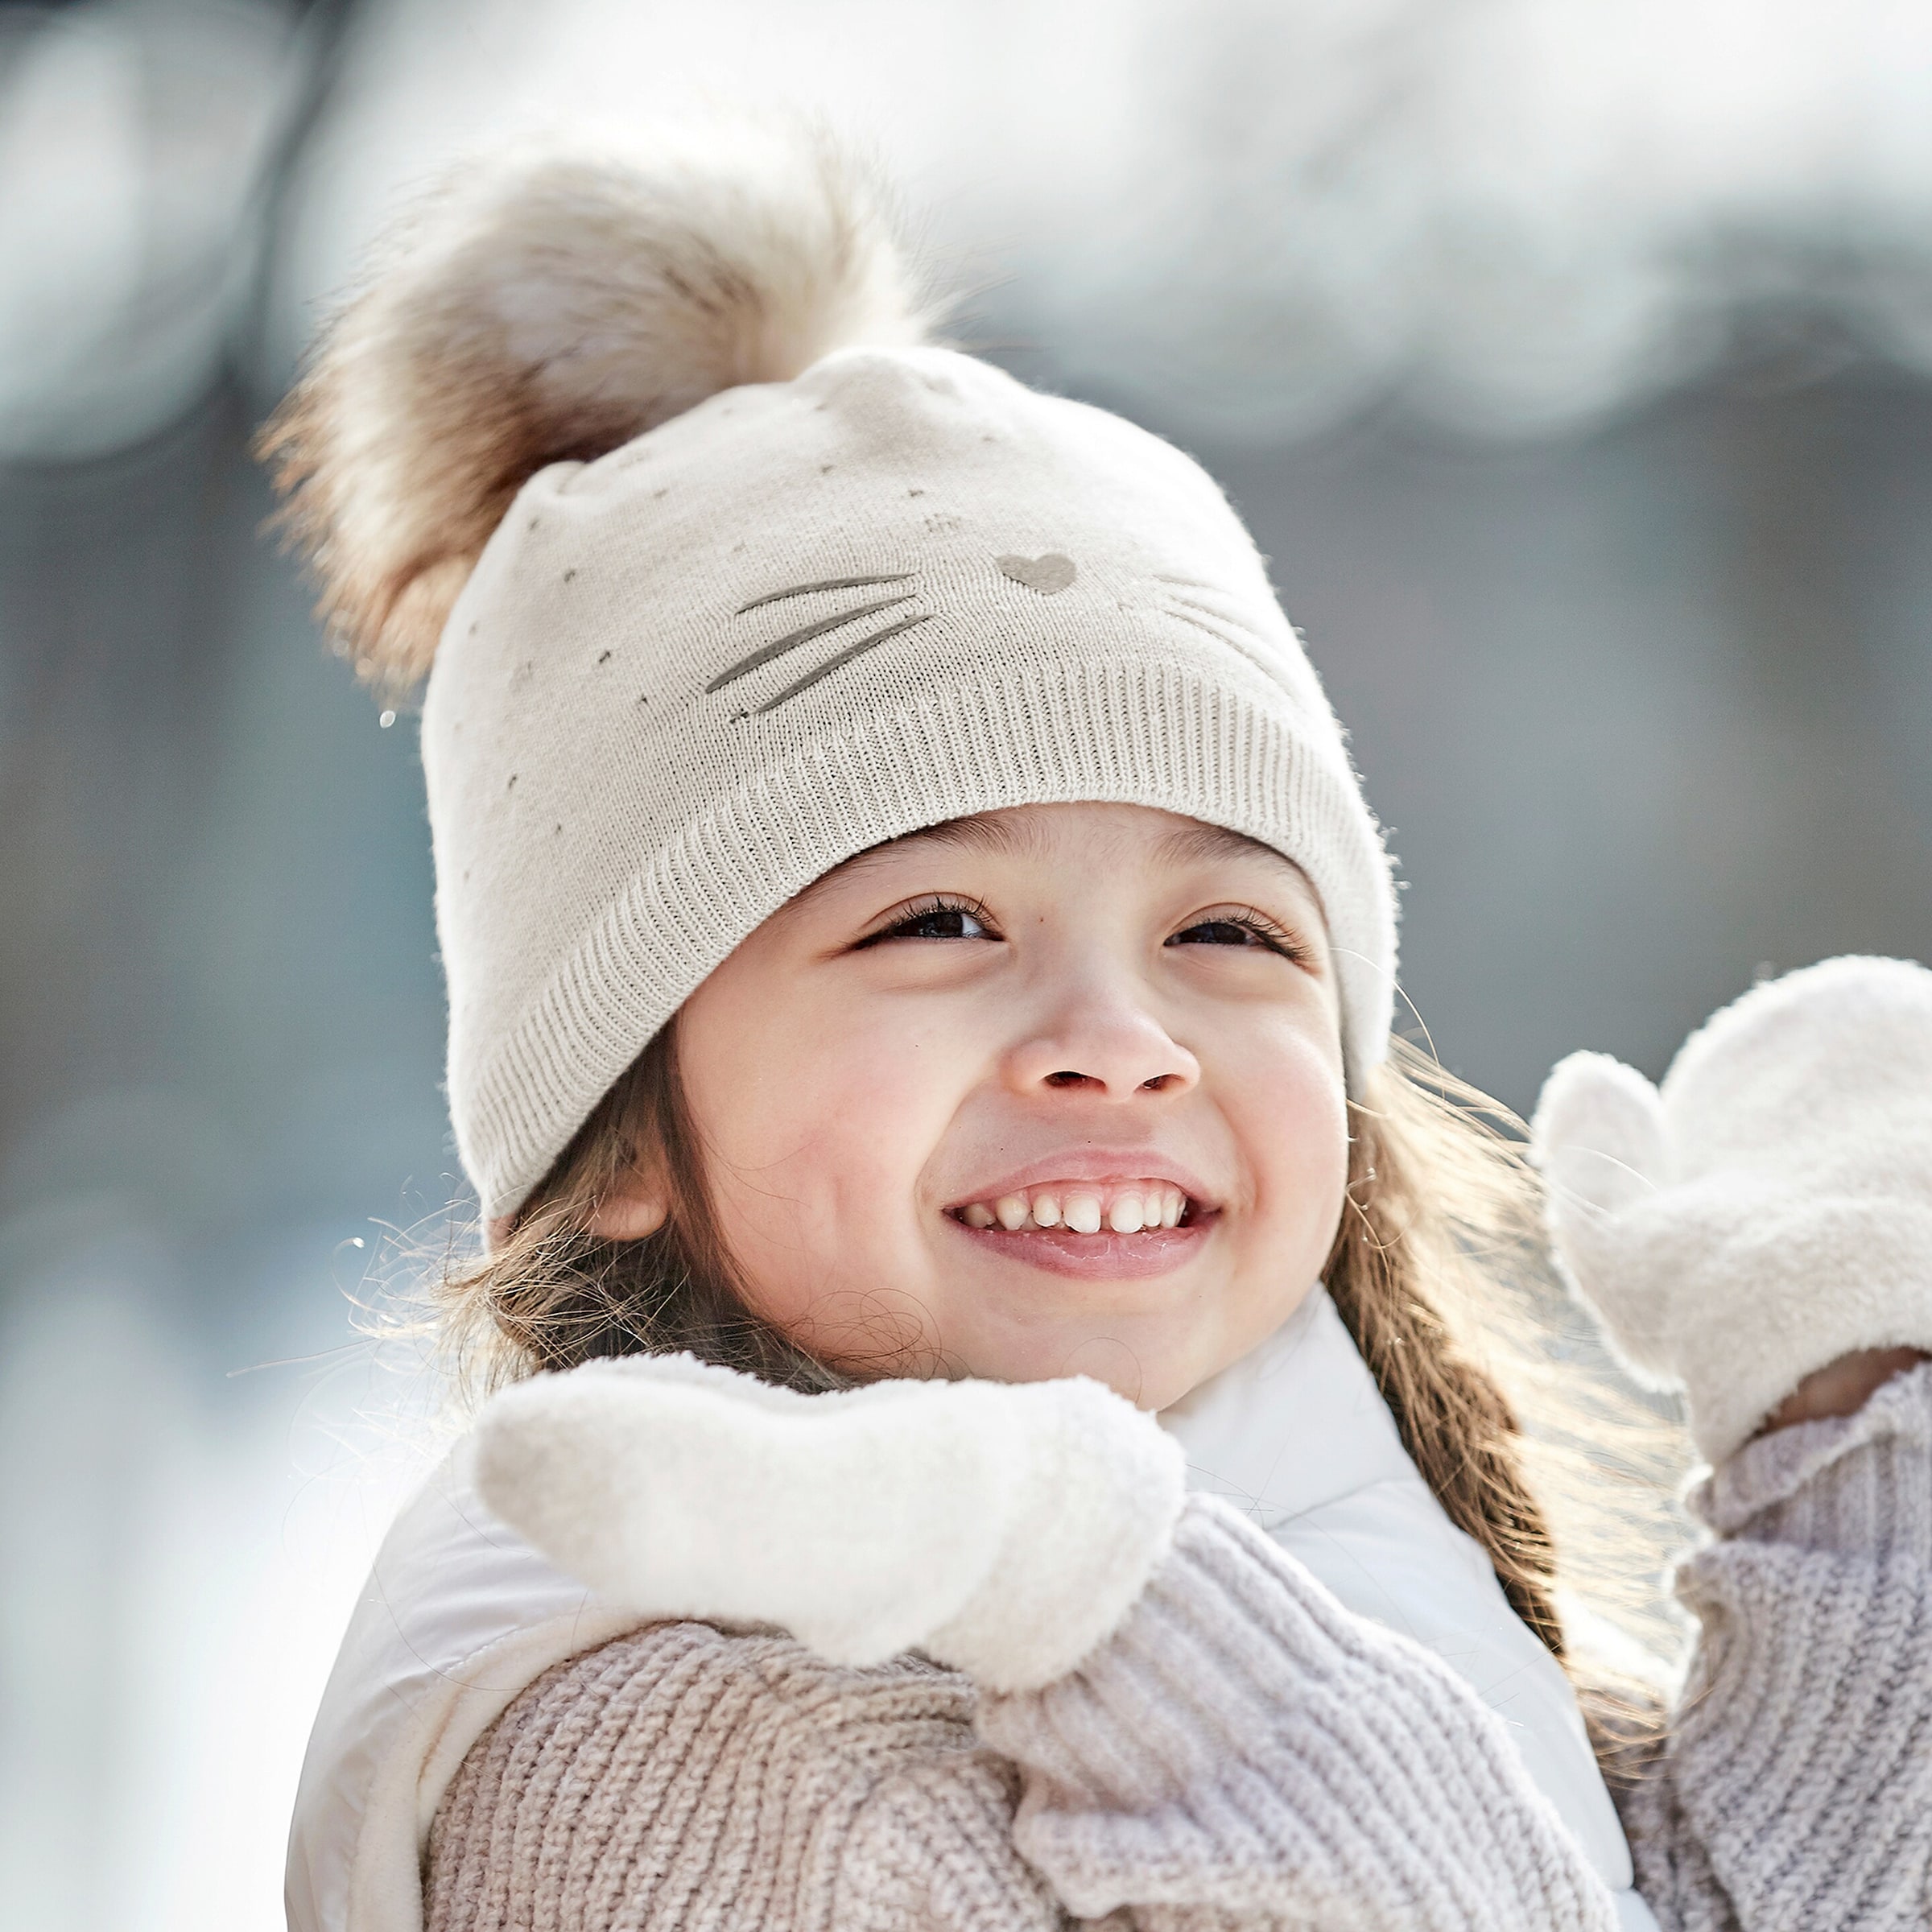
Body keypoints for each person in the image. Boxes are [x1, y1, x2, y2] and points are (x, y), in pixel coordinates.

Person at [267, 123, 1932, 1932]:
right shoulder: (708, 1759)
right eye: (938, 920)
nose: (1119, 1041)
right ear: (620, 1135)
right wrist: (1126, 1607)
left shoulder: (1330, 1517)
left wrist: (1864, 1484)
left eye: (1226, 927)